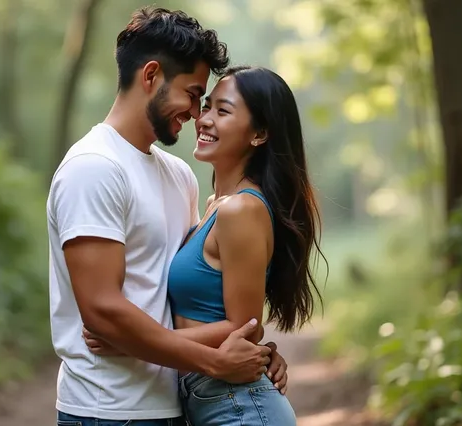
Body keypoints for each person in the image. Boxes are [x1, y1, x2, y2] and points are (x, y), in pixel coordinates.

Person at [47, 7, 289, 426]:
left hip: (175, 405)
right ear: (151, 76)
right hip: (108, 410)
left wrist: (250, 351)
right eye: (194, 95)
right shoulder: (93, 167)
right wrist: (216, 362)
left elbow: (199, 290)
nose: (197, 114)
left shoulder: (179, 175)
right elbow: (102, 312)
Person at [86, 66, 325, 425]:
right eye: (206, 106)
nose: (204, 119)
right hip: (212, 401)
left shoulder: (241, 209)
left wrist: (133, 342)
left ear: (259, 134)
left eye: (223, 111)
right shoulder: (215, 206)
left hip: (238, 406)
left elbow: (244, 326)